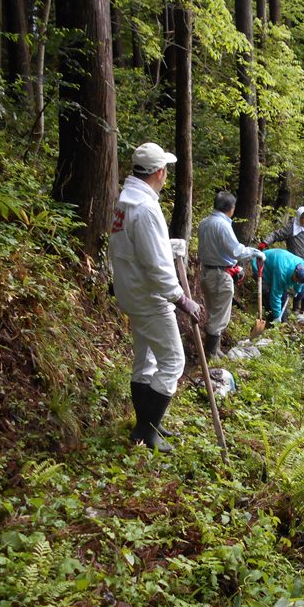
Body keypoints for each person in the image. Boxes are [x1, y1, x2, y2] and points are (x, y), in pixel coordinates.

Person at [109, 143, 203, 452]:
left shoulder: (126, 201)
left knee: (145, 360)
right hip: (149, 296)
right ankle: (146, 431)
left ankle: (148, 423)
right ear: (160, 173)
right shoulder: (146, 209)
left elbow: (137, 249)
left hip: (132, 291)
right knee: (174, 361)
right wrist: (181, 299)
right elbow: (156, 265)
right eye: (166, 171)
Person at [197, 190, 266, 358]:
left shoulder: (204, 222)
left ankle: (215, 350)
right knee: (219, 316)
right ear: (230, 208)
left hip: (206, 272)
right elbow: (236, 251)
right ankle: (211, 354)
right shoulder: (222, 225)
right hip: (220, 275)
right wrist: (255, 252)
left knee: (213, 311)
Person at [261, 206, 304, 313]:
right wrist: (265, 242)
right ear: (298, 217)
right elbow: (276, 235)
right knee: (297, 287)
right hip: (296, 263)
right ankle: (295, 309)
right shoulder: (291, 228)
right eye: (302, 218)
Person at [254, 247, 304, 324]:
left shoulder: (302, 265)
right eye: (296, 280)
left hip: (279, 261)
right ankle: (270, 319)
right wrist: (277, 316)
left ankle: (283, 320)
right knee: (268, 294)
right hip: (262, 264)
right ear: (295, 272)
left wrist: (296, 291)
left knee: (283, 295)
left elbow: (300, 283)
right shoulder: (282, 274)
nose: (297, 283)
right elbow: (275, 295)